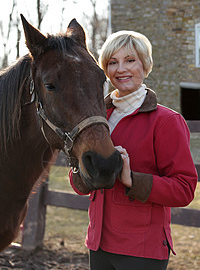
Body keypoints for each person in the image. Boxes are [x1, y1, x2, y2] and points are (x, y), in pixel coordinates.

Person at [69, 30, 198, 270]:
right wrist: (83, 172)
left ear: (145, 64)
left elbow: (184, 189)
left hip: (141, 249)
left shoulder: (166, 121)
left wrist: (132, 180)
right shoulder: (97, 118)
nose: (121, 69)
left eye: (130, 60)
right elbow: (79, 185)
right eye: (112, 62)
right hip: (97, 244)